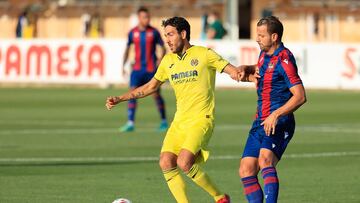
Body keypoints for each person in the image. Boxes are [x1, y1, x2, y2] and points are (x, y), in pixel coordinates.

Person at [106, 16, 257, 203]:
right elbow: (150, 87)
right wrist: (121, 98)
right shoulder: (168, 61)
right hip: (180, 122)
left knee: (184, 162)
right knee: (165, 162)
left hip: (202, 118)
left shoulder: (205, 54)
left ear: (183, 34)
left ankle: (220, 198)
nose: (167, 40)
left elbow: (234, 72)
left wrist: (247, 76)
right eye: (165, 35)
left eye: (170, 34)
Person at [238, 16, 307, 203]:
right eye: (257, 35)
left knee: (265, 160)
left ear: (274, 36)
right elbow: (261, 68)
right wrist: (248, 68)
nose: (257, 39)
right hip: (260, 120)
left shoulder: (284, 59)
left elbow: (300, 96)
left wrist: (275, 114)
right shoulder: (264, 54)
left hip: (278, 121)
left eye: (261, 35)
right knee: (246, 169)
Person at [121, 7, 167, 132]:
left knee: (156, 94)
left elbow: (163, 47)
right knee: (132, 93)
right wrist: (123, 65)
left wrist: (160, 60)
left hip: (151, 69)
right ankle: (130, 122)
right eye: (144, 17)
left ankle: (164, 121)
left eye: (148, 17)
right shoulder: (132, 32)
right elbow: (127, 48)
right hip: (137, 70)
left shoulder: (154, 32)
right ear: (139, 18)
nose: (147, 19)